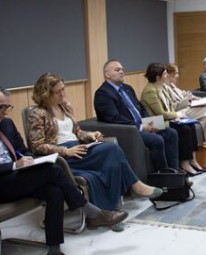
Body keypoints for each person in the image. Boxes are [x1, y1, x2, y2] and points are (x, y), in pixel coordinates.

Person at [0, 85, 127, 255]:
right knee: (53, 170)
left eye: (8, 107)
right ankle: (91, 211)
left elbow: (23, 150)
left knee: (55, 191)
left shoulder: (6, 124)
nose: (5, 112)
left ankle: (54, 249)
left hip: (15, 179)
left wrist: (30, 160)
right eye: (1, 107)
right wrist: (14, 165)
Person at [28, 73, 163, 213]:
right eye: (58, 92)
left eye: (63, 89)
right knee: (112, 150)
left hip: (78, 148)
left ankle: (110, 208)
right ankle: (135, 187)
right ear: (46, 93)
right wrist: (65, 151)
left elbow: (77, 132)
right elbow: (37, 146)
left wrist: (90, 135)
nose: (63, 94)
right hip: (64, 156)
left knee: (111, 156)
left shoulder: (64, 107)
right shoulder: (37, 114)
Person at [94, 60, 179, 172]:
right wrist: (141, 126)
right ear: (107, 75)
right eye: (117, 70)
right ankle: (163, 174)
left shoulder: (127, 88)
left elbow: (141, 108)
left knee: (171, 133)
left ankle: (174, 172)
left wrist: (150, 122)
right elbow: (114, 118)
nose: (121, 72)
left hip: (142, 123)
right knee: (156, 139)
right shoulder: (103, 93)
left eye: (122, 69)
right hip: (129, 130)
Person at [140, 63, 204, 176]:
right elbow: (161, 113)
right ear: (158, 77)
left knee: (191, 126)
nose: (167, 76)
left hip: (167, 119)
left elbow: (170, 107)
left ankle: (192, 160)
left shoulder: (162, 87)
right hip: (156, 122)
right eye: (165, 74)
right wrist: (176, 114)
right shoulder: (150, 91)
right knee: (184, 130)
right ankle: (184, 163)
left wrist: (178, 115)